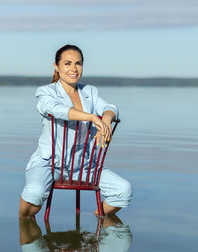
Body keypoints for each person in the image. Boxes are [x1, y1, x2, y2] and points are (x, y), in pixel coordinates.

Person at [19, 44, 132, 218]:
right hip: (49, 163)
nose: (73, 68)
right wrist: (92, 117)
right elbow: (55, 109)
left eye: (78, 63)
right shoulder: (46, 92)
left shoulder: (89, 92)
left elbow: (110, 108)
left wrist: (106, 119)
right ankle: (25, 230)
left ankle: (98, 224)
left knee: (123, 190)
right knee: (34, 193)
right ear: (56, 66)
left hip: (83, 165)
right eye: (67, 63)